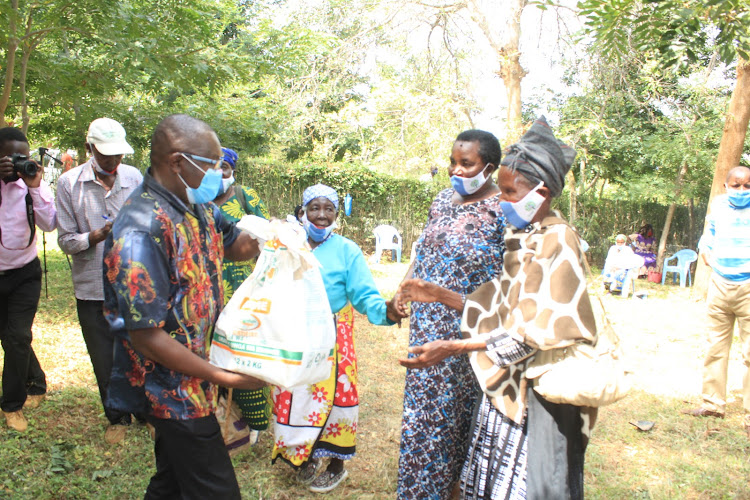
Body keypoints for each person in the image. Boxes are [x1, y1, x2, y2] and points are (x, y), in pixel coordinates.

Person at [397, 116, 597, 499]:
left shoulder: (556, 243)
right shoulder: (533, 236)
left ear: (541, 191)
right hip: (507, 385)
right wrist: (439, 296)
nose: (501, 201)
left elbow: (529, 334)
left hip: (538, 393)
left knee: (535, 484)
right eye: (501, 191)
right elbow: (504, 308)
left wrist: (453, 345)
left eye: (509, 192)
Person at [102, 114, 265, 499]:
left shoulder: (198, 205)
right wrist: (223, 377)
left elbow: (235, 244)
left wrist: (271, 236)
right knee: (217, 490)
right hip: (170, 389)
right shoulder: (142, 230)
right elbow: (145, 335)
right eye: (210, 165)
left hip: (198, 370)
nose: (219, 174)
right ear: (177, 162)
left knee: (173, 481)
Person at [271, 183, 405, 494]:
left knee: (335, 400)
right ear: (302, 212)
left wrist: (387, 311)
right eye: (314, 208)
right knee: (295, 395)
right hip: (294, 335)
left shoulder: (347, 250)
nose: (321, 215)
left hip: (333, 335)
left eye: (328, 209)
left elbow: (364, 295)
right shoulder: (289, 246)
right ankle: (303, 455)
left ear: (336, 214)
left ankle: (336, 465)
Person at [397, 130, 506, 499]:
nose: (456, 170)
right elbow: (423, 251)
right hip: (426, 326)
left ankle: (455, 491)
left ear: (489, 167)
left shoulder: (503, 210)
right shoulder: (443, 200)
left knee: (458, 422)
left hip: (468, 331)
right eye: (453, 162)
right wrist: (404, 288)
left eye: (467, 164)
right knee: (422, 418)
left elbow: (510, 283)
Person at [55, 118, 143, 444]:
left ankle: (145, 411)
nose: (114, 162)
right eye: (106, 156)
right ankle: (116, 417)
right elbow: (65, 240)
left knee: (139, 349)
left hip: (133, 282)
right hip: (92, 285)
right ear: (90, 148)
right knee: (103, 355)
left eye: (118, 156)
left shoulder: (134, 177)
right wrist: (95, 236)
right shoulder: (68, 184)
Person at [684, 166, 750, 436]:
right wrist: (706, 250)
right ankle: (713, 403)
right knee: (714, 347)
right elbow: (708, 234)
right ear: (726, 186)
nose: (741, 191)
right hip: (719, 284)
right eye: (736, 186)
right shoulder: (718, 205)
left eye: (747, 186)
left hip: (748, 285)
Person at [0, 127, 56, 432]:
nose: (17, 162)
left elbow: (50, 223)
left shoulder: (30, 184)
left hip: (24, 273)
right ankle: (36, 381)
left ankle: (11, 405)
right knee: (8, 336)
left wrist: (35, 186)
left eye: (22, 156)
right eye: (9, 156)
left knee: (17, 336)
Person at [212, 146, 272, 434]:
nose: (219, 173)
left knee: (243, 346)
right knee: (215, 346)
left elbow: (267, 237)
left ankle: (256, 421)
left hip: (243, 285)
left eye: (224, 167)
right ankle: (223, 409)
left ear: (232, 170)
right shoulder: (198, 202)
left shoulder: (245, 195)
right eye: (214, 166)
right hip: (210, 284)